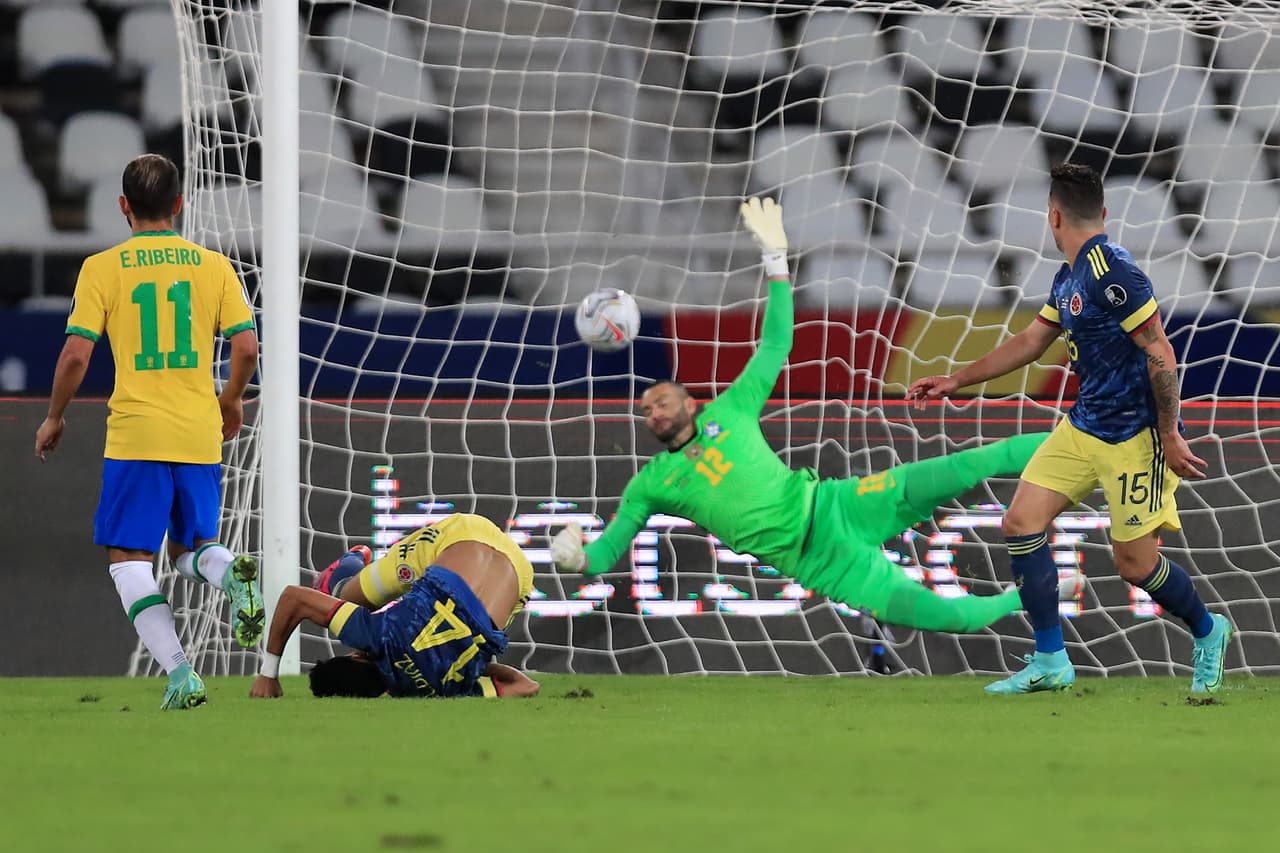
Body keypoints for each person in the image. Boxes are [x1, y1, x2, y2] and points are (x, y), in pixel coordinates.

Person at [550, 197, 1048, 636]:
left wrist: (775, 260)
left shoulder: (732, 409)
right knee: (953, 618)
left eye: (661, 400)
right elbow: (606, 551)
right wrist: (577, 559)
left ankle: (1084, 444)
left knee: (975, 462)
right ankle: (1033, 594)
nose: (652, 410)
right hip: (821, 562)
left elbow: (776, 343)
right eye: (645, 409)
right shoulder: (650, 484)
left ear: (691, 402)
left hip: (841, 504)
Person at [907, 163, 1232, 695]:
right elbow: (1032, 343)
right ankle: (1051, 660)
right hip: (1083, 428)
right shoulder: (1070, 277)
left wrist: (1170, 433)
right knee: (1020, 522)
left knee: (1135, 565)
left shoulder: (1112, 272)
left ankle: (1208, 629)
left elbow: (1161, 351)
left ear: (1052, 216)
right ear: (1100, 213)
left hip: (1135, 437)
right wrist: (958, 379)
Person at [34, 153, 262, 711]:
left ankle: (181, 673)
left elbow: (73, 357)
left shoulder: (102, 268)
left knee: (130, 558)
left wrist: (55, 415)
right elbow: (248, 346)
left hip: (137, 433)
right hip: (198, 431)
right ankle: (233, 573)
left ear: (123, 206)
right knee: (192, 548)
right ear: (179, 205)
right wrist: (229, 399)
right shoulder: (213, 266)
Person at [250, 513, 539, 699]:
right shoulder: (376, 636)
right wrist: (268, 675)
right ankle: (338, 584)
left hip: (520, 575)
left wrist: (476, 670)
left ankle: (339, 588)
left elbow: (526, 686)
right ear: (359, 657)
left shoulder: (447, 690)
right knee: (350, 598)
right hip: (463, 535)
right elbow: (293, 598)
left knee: (476, 639)